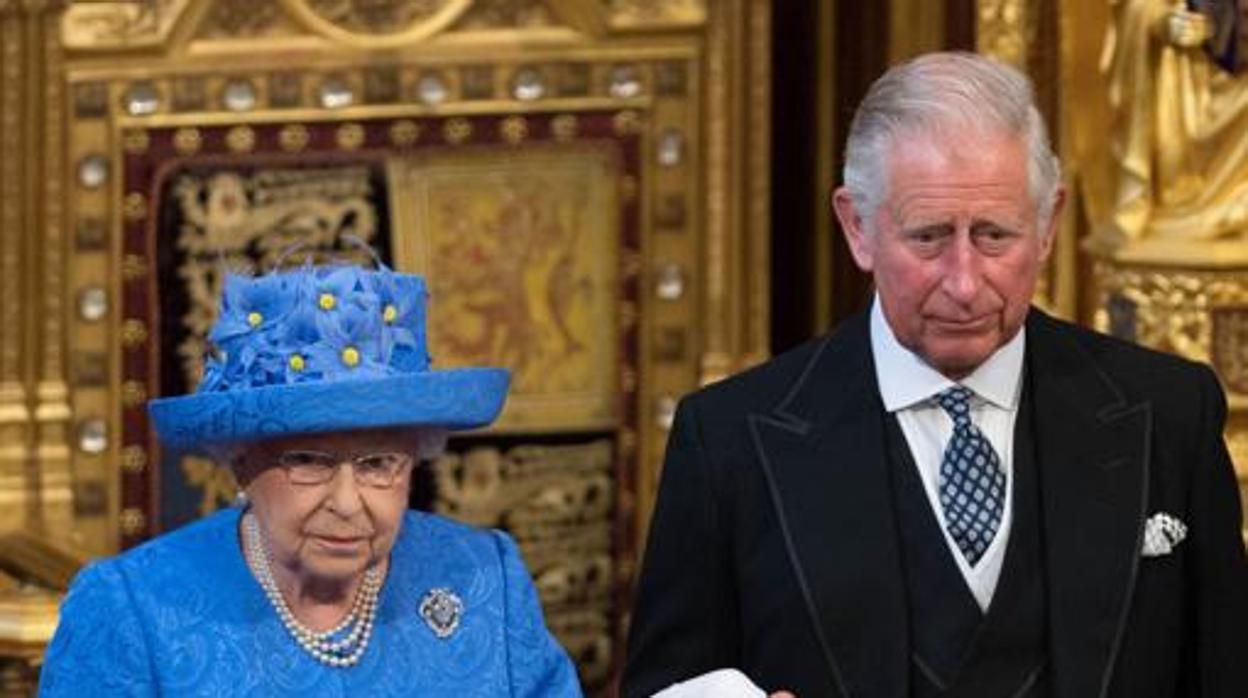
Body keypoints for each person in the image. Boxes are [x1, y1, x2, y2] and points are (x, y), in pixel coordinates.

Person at [623, 52, 1246, 698]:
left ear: (1048, 225)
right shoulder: (728, 444)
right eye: (928, 237)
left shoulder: (1171, 415)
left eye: (995, 236)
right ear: (857, 227)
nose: (964, 282)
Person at [39, 262, 582, 696]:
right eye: (308, 461)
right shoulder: (132, 610)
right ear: (241, 462)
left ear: (414, 460)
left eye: (377, 464)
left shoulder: (484, 577)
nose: (347, 502)